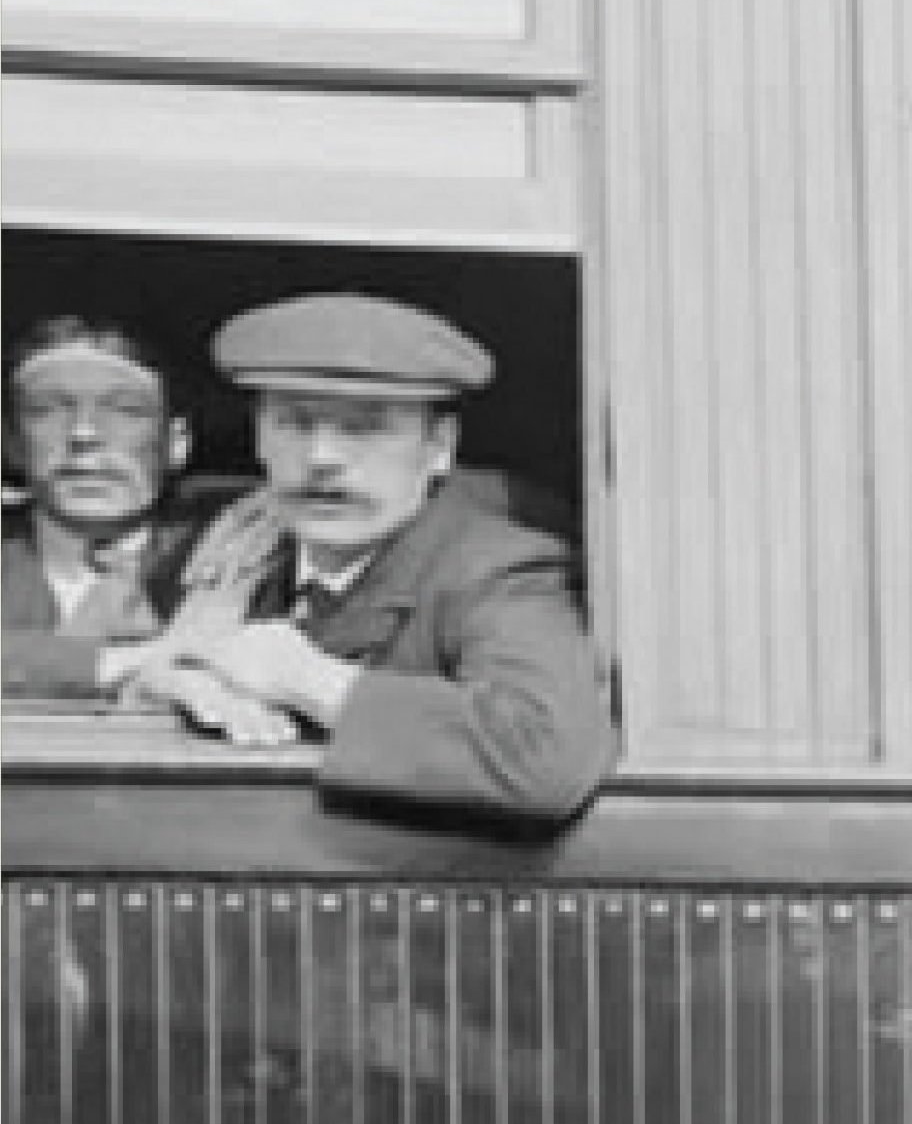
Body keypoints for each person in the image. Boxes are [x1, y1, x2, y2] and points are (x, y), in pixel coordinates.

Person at [134, 291, 618, 823]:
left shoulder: (495, 571)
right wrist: (174, 684)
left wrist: (307, 679)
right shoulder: (224, 558)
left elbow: (545, 756)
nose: (322, 458)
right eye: (294, 423)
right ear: (259, 439)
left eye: (363, 427)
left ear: (439, 446)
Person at [0, 315, 274, 719]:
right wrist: (135, 661)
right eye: (47, 410)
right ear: (11, 443)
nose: (83, 434)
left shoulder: (240, 538)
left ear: (176, 442)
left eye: (126, 410)